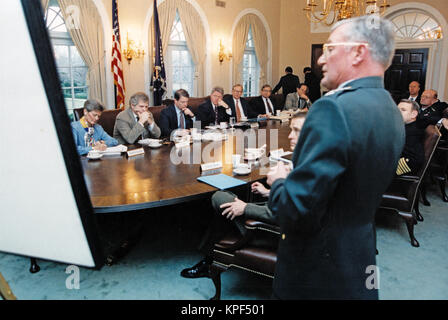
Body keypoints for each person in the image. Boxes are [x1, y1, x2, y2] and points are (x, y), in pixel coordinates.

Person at [266, 16, 405, 300]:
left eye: (330, 49)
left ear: (358, 52)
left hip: (317, 271)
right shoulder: (390, 108)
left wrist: (280, 181)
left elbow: (295, 210)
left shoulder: (332, 109)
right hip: (359, 255)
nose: (320, 60)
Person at [180, 113, 307, 279]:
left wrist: (245, 207)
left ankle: (210, 259)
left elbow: (284, 211)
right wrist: (268, 192)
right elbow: (295, 200)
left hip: (270, 230)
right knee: (231, 202)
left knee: (220, 198)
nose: (290, 135)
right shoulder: (310, 160)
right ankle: (210, 257)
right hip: (277, 215)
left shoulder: (308, 168)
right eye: (291, 130)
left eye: (296, 131)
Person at [396, 99, 425, 176]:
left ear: (413, 114)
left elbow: (415, 160)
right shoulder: (405, 127)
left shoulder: (412, 132)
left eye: (403, 110)